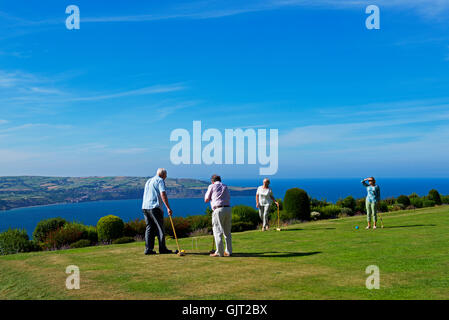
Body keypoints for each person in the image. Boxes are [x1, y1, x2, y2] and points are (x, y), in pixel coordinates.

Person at [142, 168, 174, 255]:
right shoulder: (160, 181)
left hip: (145, 207)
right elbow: (162, 194)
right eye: (166, 175)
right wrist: (168, 207)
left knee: (149, 228)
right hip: (154, 207)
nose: (166, 177)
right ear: (162, 174)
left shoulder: (149, 181)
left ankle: (148, 249)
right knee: (160, 228)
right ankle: (162, 249)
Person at [204, 174, 232, 257]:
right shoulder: (225, 186)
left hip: (218, 210)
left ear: (212, 181)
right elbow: (228, 197)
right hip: (228, 209)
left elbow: (206, 199)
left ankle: (219, 252)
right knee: (227, 232)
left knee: (217, 231)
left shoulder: (211, 186)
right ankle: (228, 251)